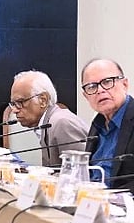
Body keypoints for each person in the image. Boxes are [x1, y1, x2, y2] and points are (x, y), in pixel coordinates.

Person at [8, 70, 88, 166]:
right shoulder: (48, 123)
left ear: (43, 100)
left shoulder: (62, 123)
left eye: (20, 102)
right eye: (13, 104)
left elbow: (81, 174)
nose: (14, 110)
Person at [81, 58, 134, 189]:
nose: (100, 90)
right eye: (92, 86)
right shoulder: (97, 124)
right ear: (86, 96)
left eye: (107, 82)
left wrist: (110, 198)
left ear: (125, 84)